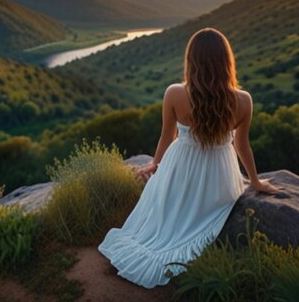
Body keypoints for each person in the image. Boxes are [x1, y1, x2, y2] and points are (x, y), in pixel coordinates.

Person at [98, 27, 279, 289]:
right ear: (226, 62)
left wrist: (155, 165)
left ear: (191, 61)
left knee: (160, 209)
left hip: (180, 167)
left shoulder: (174, 93)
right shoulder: (244, 100)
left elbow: (166, 137)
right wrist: (255, 181)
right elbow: (242, 145)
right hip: (220, 175)